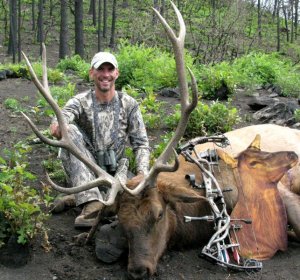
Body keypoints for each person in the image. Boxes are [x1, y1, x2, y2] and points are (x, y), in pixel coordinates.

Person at [50, 52, 150, 228]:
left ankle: (78, 197)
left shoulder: (129, 104)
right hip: (84, 169)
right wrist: (59, 125)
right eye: (100, 69)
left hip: (116, 169)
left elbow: (141, 143)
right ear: (91, 73)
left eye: (110, 69)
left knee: (136, 198)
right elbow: (62, 117)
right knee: (70, 130)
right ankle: (92, 203)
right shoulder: (80, 101)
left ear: (116, 73)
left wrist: (142, 172)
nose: (105, 74)